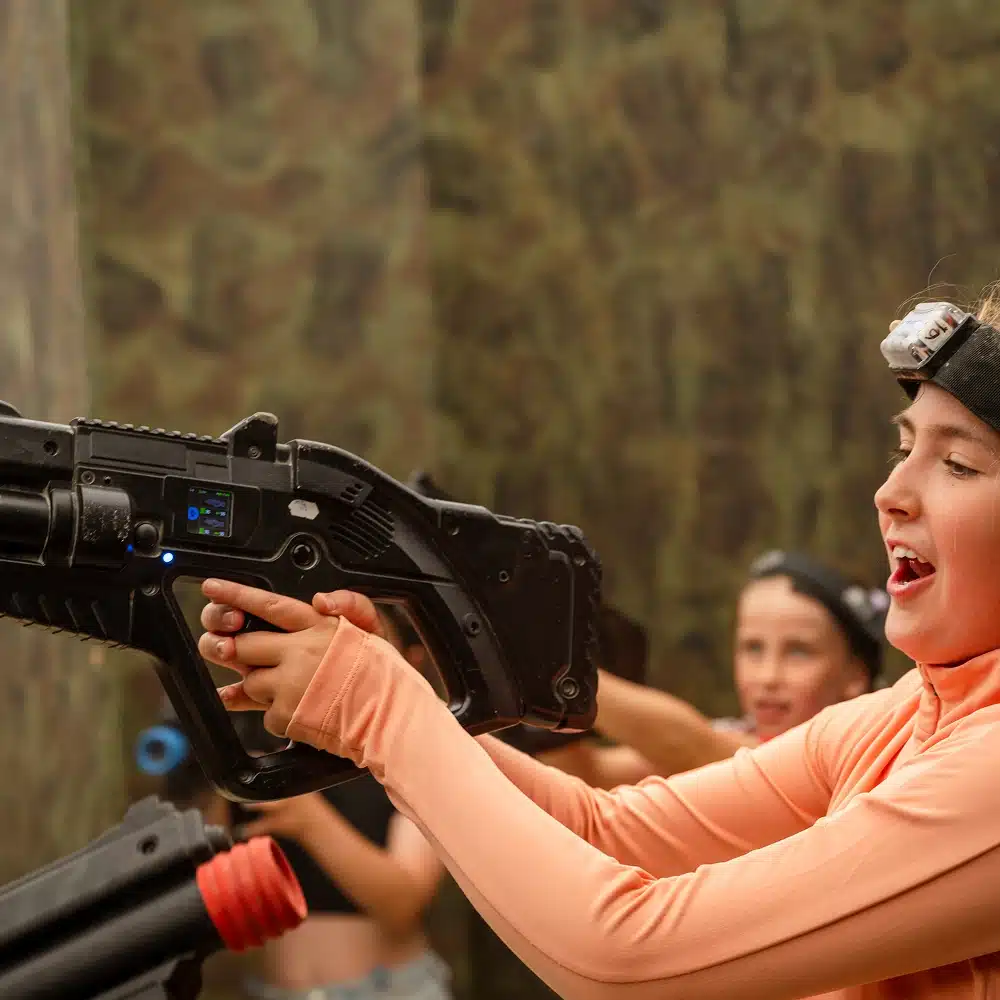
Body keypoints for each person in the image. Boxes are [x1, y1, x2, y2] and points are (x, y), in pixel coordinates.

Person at [197, 292, 1000, 998]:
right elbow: (604, 829)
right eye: (904, 449)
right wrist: (372, 714)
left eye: (958, 463)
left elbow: (627, 957)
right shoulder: (908, 715)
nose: (890, 494)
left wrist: (379, 707)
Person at [141, 606, 452, 1000]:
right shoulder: (272, 745)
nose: (346, 662)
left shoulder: (414, 756)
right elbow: (208, 887)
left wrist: (310, 822)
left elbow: (402, 904)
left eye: (369, 643)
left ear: (412, 659)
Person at [558, 551, 887, 788]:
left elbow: (693, 747)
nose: (768, 676)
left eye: (799, 652)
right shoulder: (733, 732)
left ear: (856, 675)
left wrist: (562, 672)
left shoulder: (862, 760)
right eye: (752, 647)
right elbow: (591, 775)